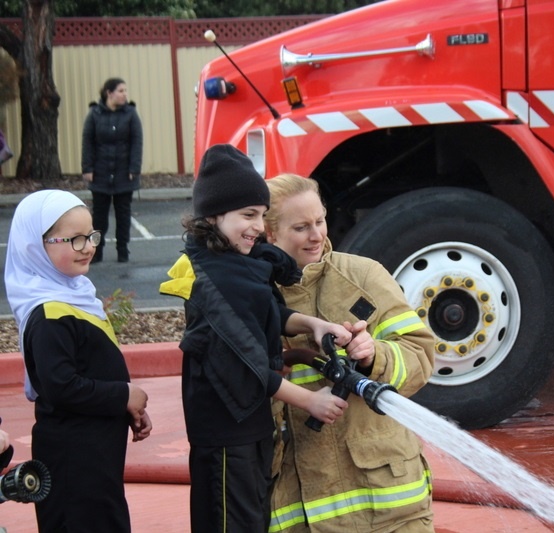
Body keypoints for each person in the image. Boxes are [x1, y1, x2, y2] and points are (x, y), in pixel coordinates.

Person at [159, 145, 353, 533]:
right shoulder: (217, 280)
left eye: (262, 215)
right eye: (247, 215)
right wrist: (311, 400)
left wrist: (312, 324)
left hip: (248, 423)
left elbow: (263, 312)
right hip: (228, 434)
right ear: (212, 216)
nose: (257, 227)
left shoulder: (231, 262)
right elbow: (245, 363)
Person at [264, 173, 436, 532]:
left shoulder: (363, 277)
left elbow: (420, 357)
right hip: (298, 509)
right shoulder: (254, 295)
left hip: (388, 507)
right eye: (301, 227)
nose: (316, 235)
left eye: (320, 221)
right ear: (270, 234)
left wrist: (376, 356)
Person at [4, 189, 152, 531]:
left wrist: (125, 407)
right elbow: (60, 386)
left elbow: (92, 367)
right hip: (74, 459)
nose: (88, 246)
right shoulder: (48, 313)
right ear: (36, 247)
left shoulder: (75, 295)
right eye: (74, 239)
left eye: (91, 235)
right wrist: (122, 395)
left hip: (96, 454)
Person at [81, 77, 143, 263]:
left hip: (124, 174)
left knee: (123, 215)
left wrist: (134, 168)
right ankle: (96, 251)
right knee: (99, 217)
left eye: (125, 91)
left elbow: (137, 143)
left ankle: (122, 250)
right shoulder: (94, 114)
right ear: (109, 93)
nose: (125, 94)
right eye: (121, 91)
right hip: (100, 174)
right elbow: (87, 143)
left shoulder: (131, 114)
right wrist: (88, 168)